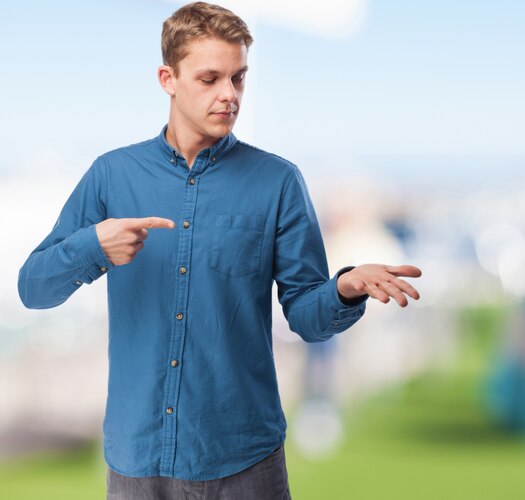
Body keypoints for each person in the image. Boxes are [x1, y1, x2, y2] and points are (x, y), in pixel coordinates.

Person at [17, 2, 421, 499]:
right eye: (210, 79)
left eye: (239, 79)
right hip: (137, 463)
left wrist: (343, 289)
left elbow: (308, 318)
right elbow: (33, 289)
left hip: (244, 462)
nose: (229, 96)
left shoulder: (278, 181)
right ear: (168, 78)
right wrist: (91, 247)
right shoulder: (111, 176)